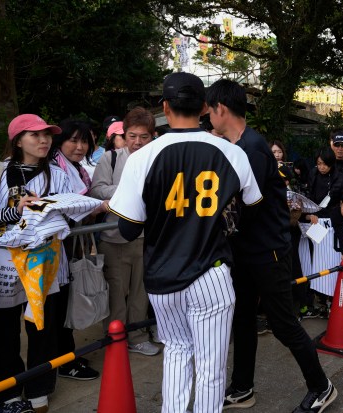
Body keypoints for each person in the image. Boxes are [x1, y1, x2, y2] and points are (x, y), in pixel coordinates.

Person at [109, 73, 262, 413]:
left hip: (163, 274)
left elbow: (129, 229)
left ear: (164, 106)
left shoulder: (142, 157)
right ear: (205, 107)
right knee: (211, 367)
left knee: (177, 352)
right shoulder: (232, 153)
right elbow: (253, 207)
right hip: (212, 272)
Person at [205, 79, 337, 413]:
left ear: (220, 109)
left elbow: (245, 204)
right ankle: (242, 387)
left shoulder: (252, 148)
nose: (207, 115)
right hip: (246, 250)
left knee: (282, 324)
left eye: (209, 109)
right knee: (243, 320)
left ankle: (322, 387)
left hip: (269, 251)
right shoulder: (239, 145)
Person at [0, 114, 71, 413]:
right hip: (2, 264)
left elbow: (64, 216)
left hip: (45, 262)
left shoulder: (58, 173)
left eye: (47, 135)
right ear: (17, 140)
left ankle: (39, 391)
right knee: (4, 332)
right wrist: (14, 212)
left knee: (42, 328)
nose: (44, 140)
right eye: (34, 135)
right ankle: (6, 395)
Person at [91, 108, 160, 357]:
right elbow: (97, 189)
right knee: (116, 292)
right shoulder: (110, 158)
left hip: (149, 237)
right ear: (124, 134)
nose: (137, 142)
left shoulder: (158, 158)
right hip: (114, 237)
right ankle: (115, 337)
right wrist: (129, 189)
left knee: (142, 291)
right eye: (132, 136)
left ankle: (138, 336)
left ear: (153, 136)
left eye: (143, 137)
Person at [49, 119, 101, 381]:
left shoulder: (76, 169)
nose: (80, 147)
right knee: (54, 306)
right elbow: (67, 208)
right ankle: (60, 361)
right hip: (51, 250)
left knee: (64, 300)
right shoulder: (54, 169)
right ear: (60, 142)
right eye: (74, 140)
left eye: (85, 141)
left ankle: (65, 356)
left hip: (67, 247)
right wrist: (99, 207)